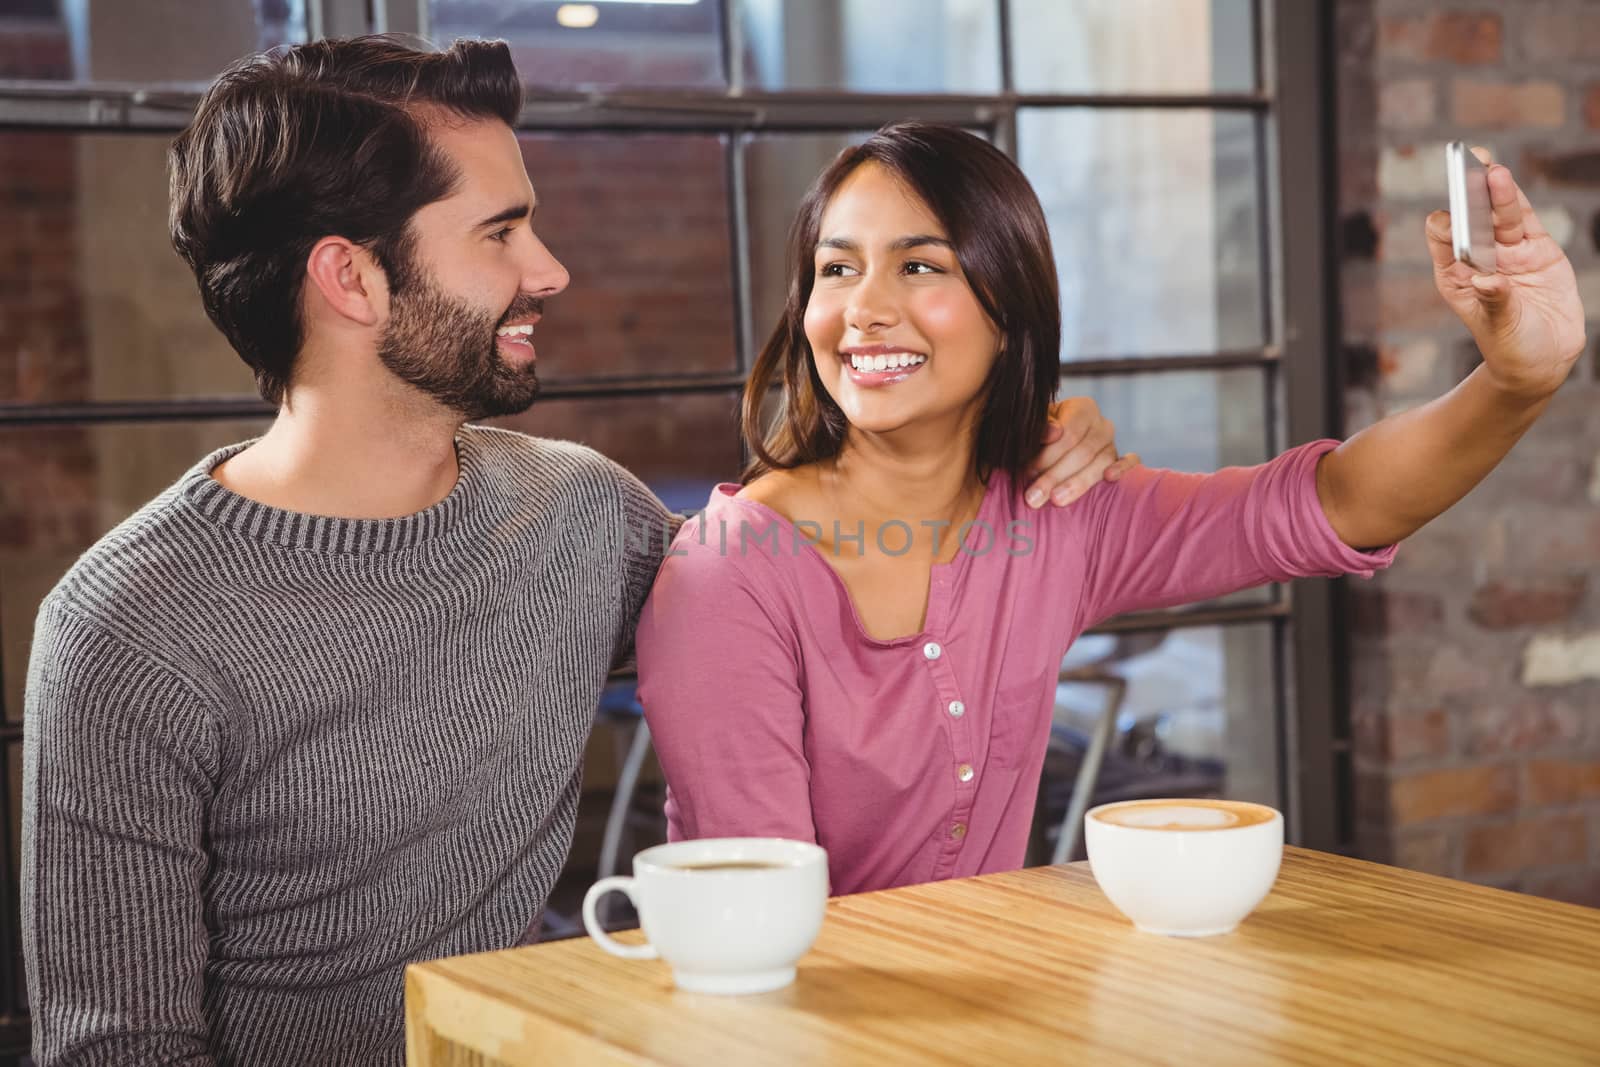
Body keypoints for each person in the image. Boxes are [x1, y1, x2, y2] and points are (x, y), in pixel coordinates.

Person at [20, 40, 1127, 1064]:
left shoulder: (582, 515)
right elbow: (118, 1045)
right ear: (350, 279)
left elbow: (814, 582)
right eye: (500, 233)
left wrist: (1004, 434)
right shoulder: (127, 626)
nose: (548, 270)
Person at [634, 122, 1585, 896]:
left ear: (1009, 304)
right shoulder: (730, 573)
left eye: (920, 266)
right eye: (836, 270)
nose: (864, 308)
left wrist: (1515, 381)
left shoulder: (1058, 508)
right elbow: (754, 923)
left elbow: (1325, 502)